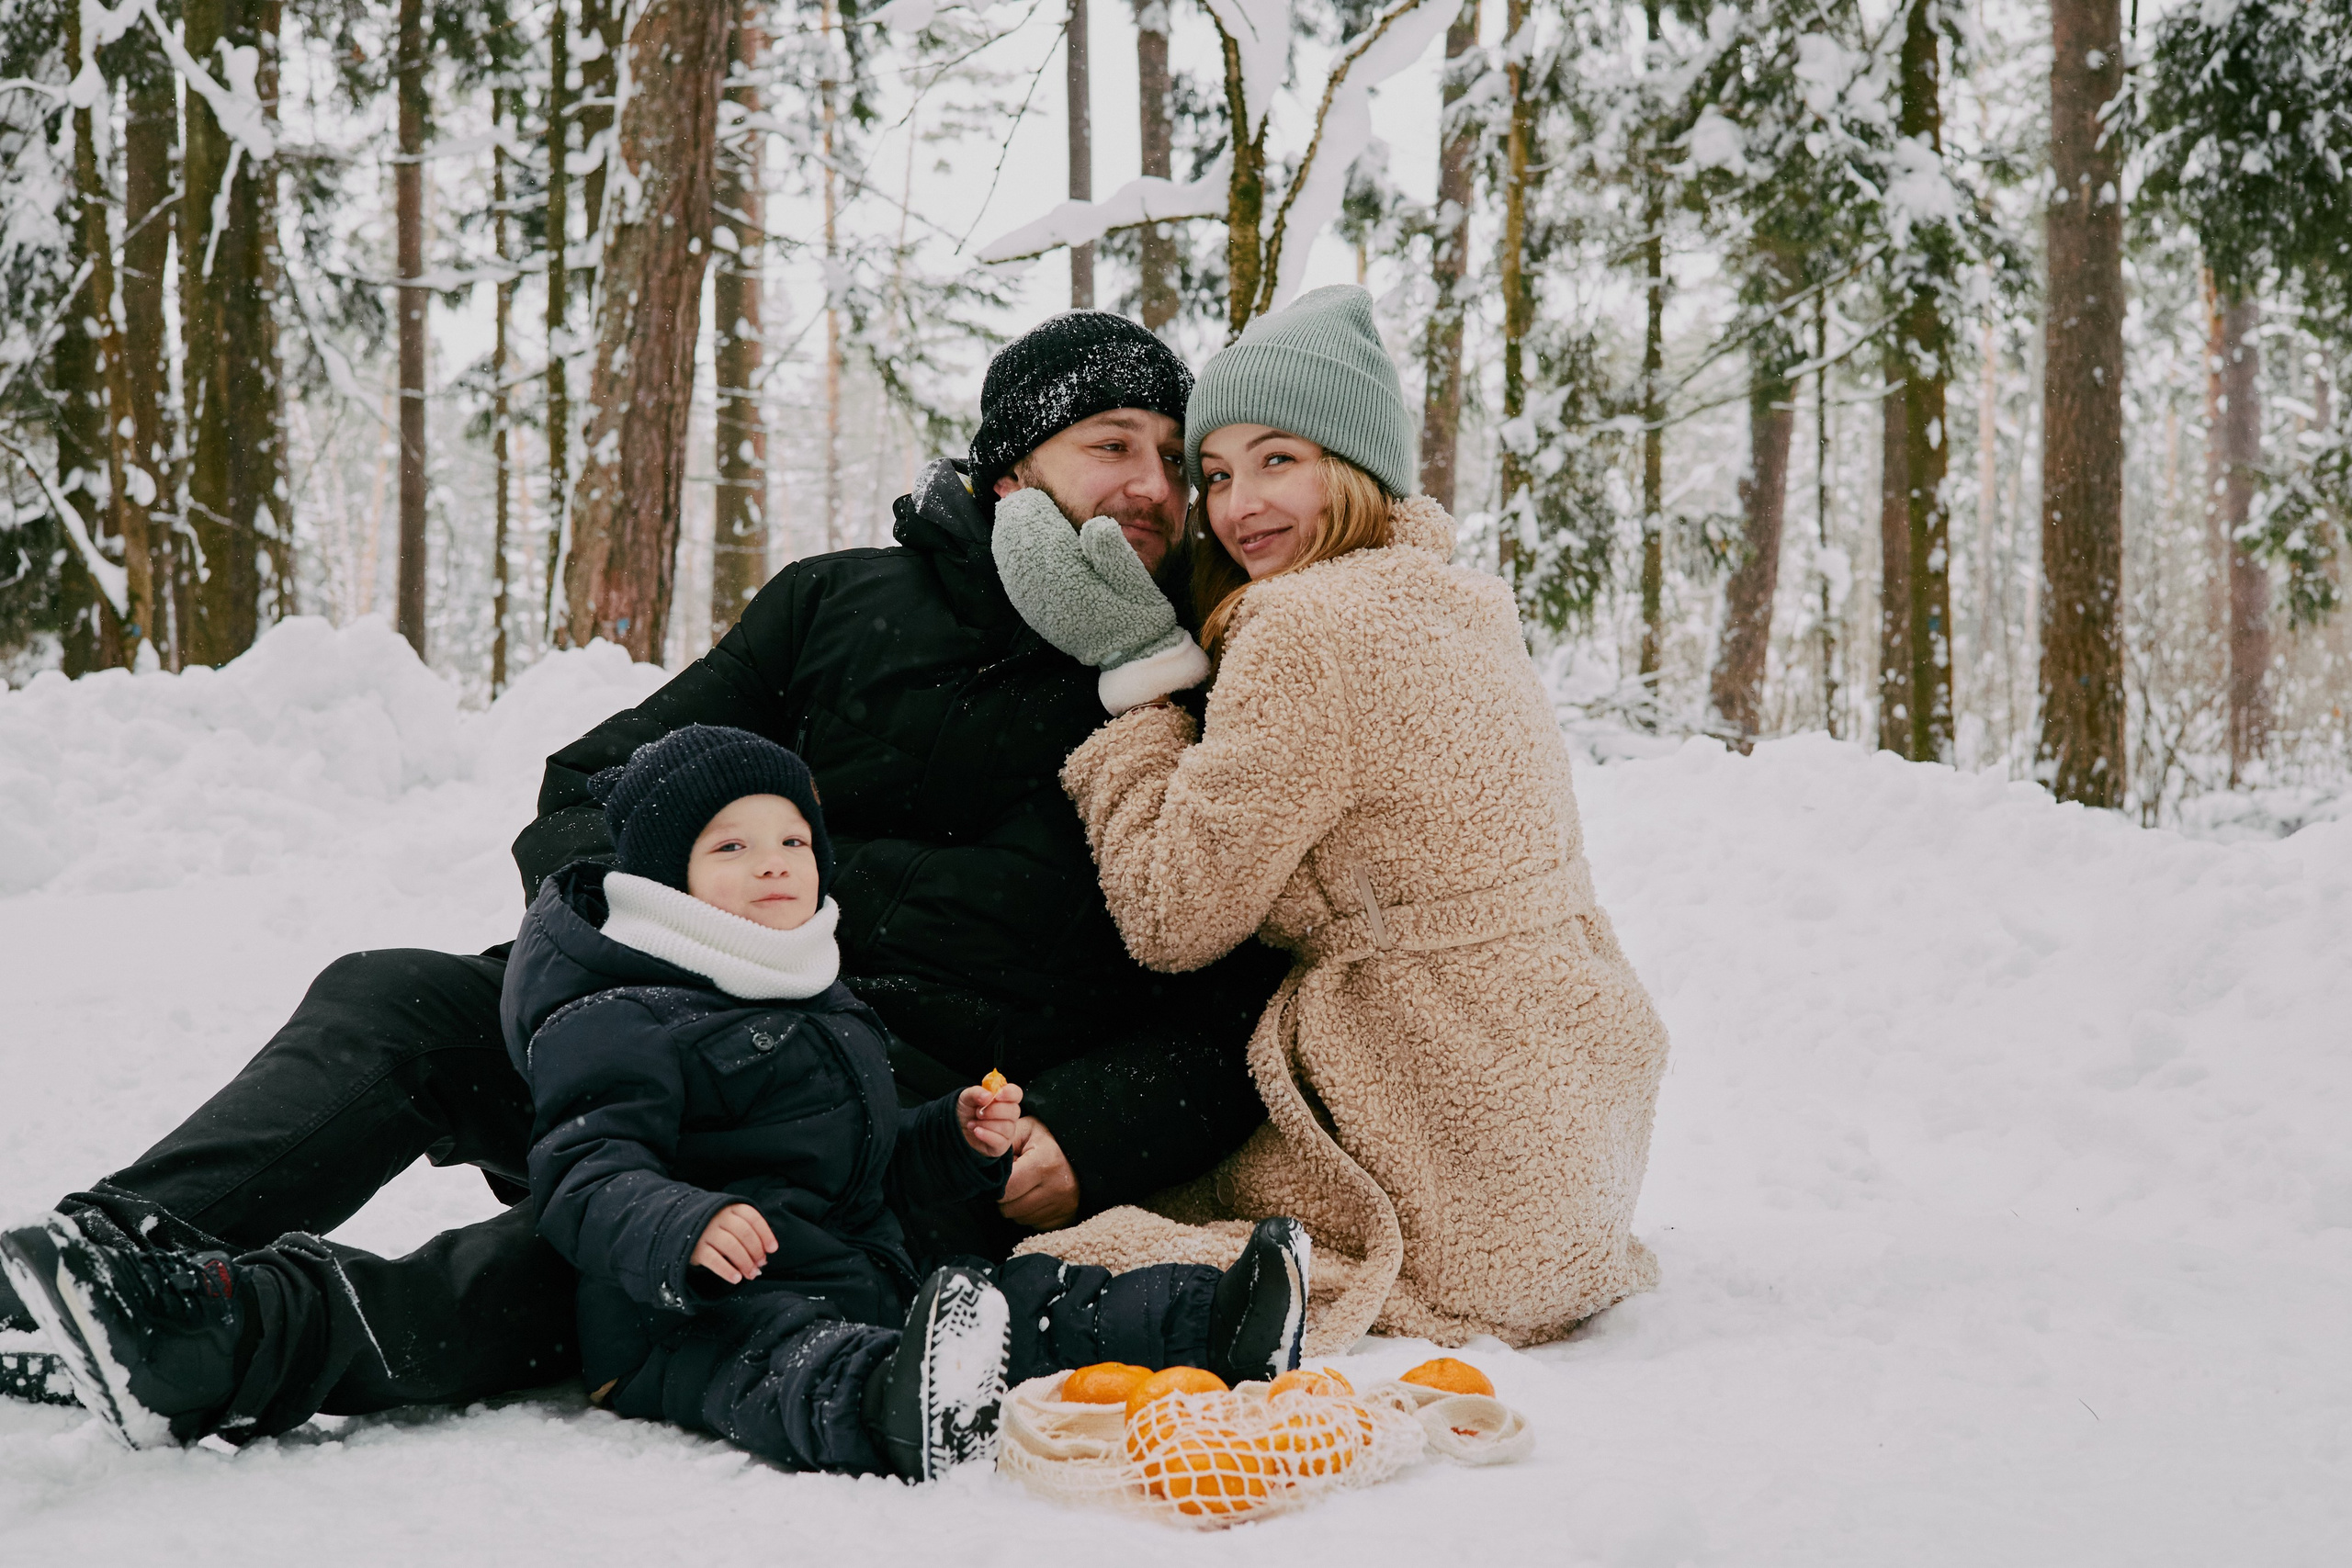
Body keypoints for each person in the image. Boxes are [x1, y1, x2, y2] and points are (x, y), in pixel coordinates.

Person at [0, 311, 1289, 1447]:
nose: (1155, 485)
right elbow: (597, 779)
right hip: (656, 1025)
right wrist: (601, 972)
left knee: (612, 1260)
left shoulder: (1193, 691)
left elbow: (1235, 1006)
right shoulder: (840, 605)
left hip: (863, 1113)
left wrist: (1085, 1125)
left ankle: (215, 1333)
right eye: (1112, 442)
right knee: (393, 999)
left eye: (1177, 459)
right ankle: (97, 1262)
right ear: (1013, 460)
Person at [988, 286, 1673, 1353]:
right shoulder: (1457, 600)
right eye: (1214, 473)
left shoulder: (1302, 630)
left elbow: (1172, 918)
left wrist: (1134, 691)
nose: (1234, 505)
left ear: (1352, 464)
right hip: (1575, 1152)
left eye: (1278, 460)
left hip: (1449, 1153)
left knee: (1066, 1247)